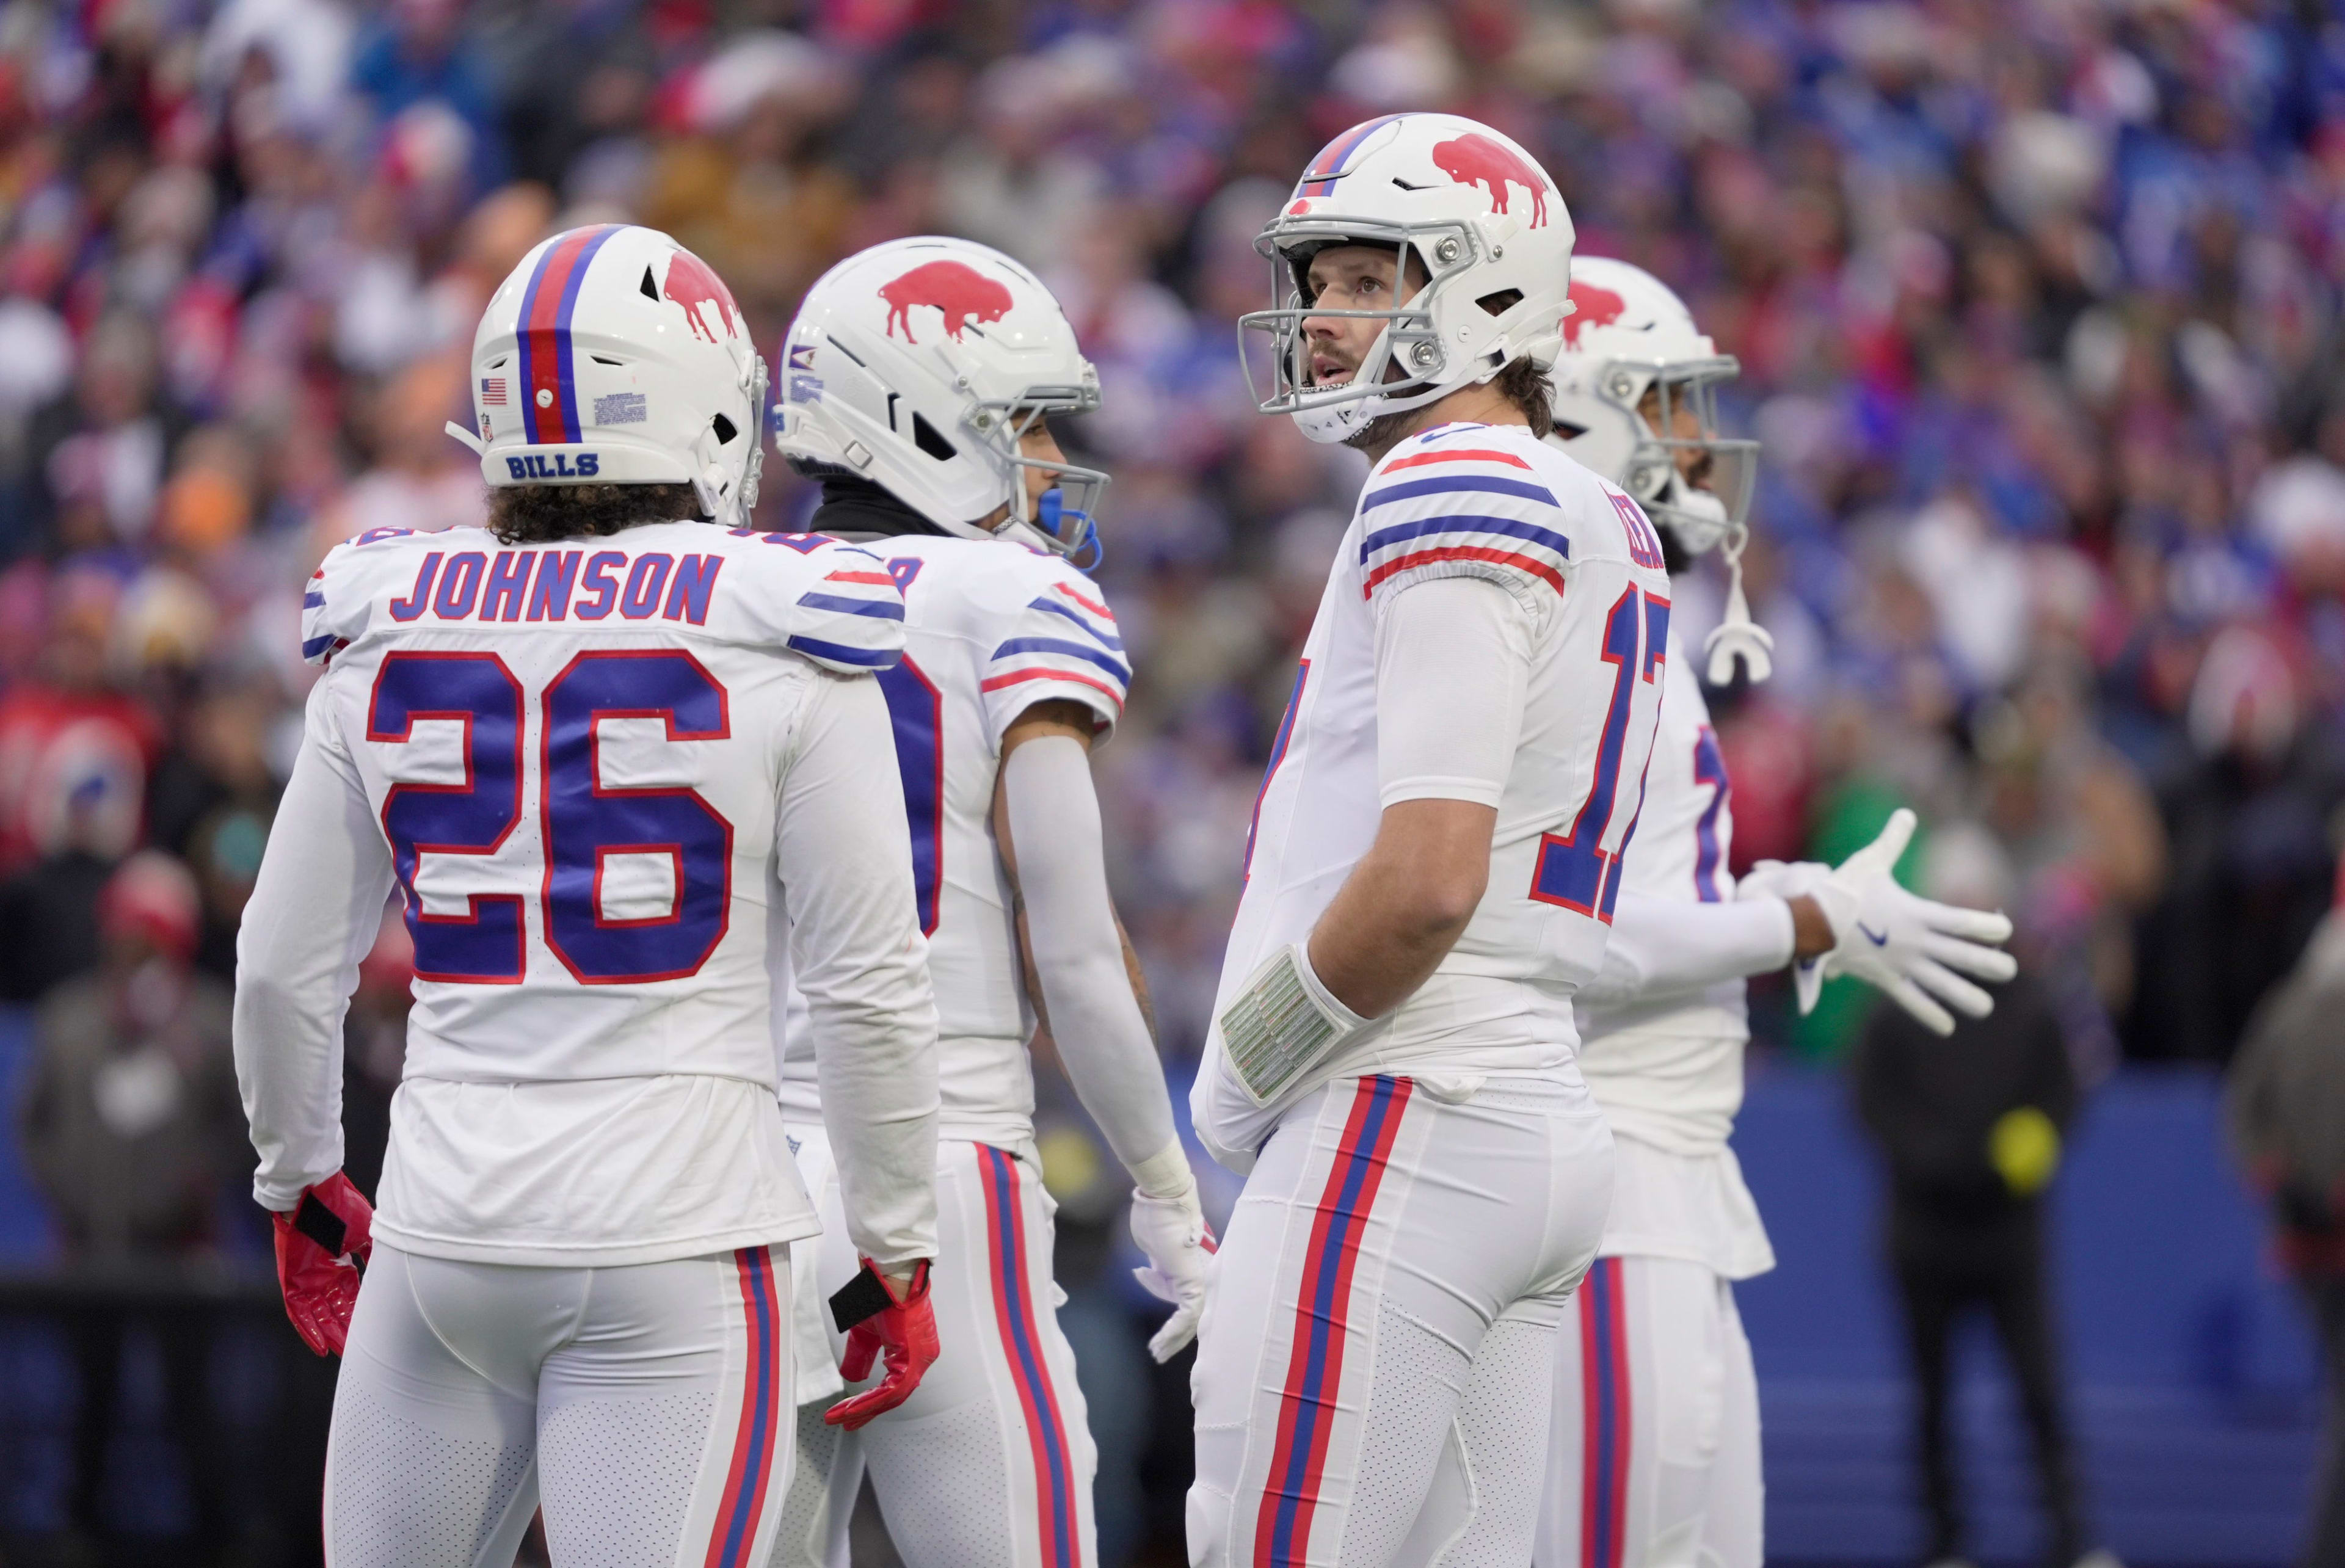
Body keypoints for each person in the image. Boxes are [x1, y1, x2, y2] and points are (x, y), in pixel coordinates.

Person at [233, 223, 944, 1568]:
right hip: (683, 1238)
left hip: (441, 1235)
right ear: (706, 409)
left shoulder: (388, 614)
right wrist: (895, 1246)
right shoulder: (787, 621)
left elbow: (281, 964)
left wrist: (300, 1179)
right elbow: (866, 986)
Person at [1186, 112, 1663, 1566]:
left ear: (1484, 289)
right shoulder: (1595, 504)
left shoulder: (1451, 481)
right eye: (1316, 283)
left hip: (1408, 1103)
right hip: (1526, 1103)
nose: (1321, 320)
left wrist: (1248, 1063)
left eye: (1361, 281)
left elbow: (1426, 882)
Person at [1530, 258, 2020, 1568]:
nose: (1698, 443)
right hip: (1605, 1179)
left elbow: (1627, 900)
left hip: (1666, 1174)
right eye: (1667, 403)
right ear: (1580, 406)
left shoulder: (1626, 612)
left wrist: (1779, 897)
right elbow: (1562, 936)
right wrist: (1800, 921)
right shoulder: (1561, 617)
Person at [764, 234, 1214, 1568]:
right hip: (942, 1152)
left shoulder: (724, 590)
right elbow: (1074, 953)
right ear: (918, 417)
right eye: (1024, 424)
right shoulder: (1011, 596)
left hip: (732, 1165)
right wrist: (1166, 1186)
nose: (1051, 462)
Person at [1853, 824, 2114, 1568]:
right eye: (1953, 903)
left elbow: (2063, 1093)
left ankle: (2072, 1542)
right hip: (1922, 1233)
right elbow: (1869, 1102)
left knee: (2040, 1391)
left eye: (1978, 903)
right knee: (1932, 1398)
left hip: (2009, 1233)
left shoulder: (2032, 1003)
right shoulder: (1895, 1007)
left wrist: (2031, 1142)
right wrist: (1936, 1158)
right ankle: (1944, 1545)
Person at [17, 850, 244, 1556]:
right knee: (90, 1400)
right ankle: (77, 1532)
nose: (136, 948)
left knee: (192, 1401)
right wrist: (71, 1192)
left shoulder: (211, 1022)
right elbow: (33, 1125)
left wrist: (192, 1186)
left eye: (152, 934)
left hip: (181, 1247)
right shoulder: (69, 1018)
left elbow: (237, 1129)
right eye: (128, 933)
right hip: (89, 1246)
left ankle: (216, 1538)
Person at [2226, 857, 2345, 1568]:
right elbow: (2248, 1115)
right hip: (2315, 1242)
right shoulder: (2294, 1014)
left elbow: (2246, 1114)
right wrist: (2282, 1179)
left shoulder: (2288, 1009)